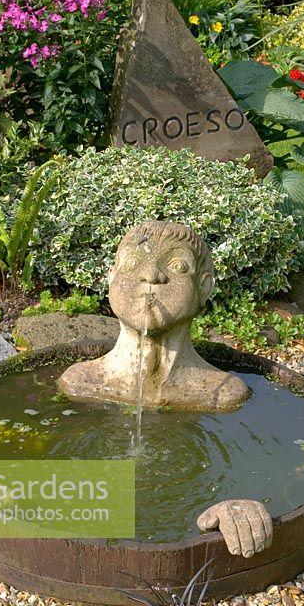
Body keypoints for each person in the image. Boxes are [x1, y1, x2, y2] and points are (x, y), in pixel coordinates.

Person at [59, 220, 273, 557]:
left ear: (203, 288)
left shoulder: (225, 394)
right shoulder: (80, 383)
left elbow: (269, 460)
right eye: (134, 263)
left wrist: (244, 498)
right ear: (112, 278)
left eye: (177, 266)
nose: (152, 276)